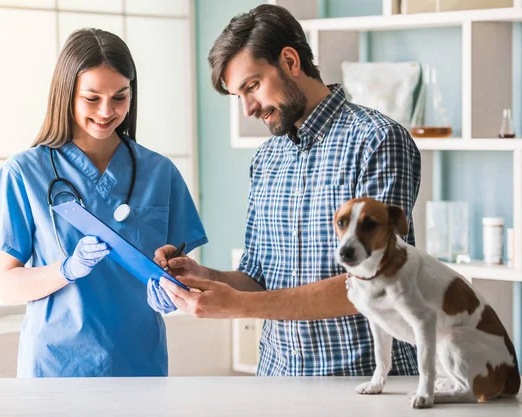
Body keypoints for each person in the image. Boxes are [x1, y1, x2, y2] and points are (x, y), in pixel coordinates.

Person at [148, 4, 421, 377]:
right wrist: (203, 277)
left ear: (290, 61)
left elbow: (375, 280)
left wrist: (241, 306)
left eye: (253, 86)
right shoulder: (266, 160)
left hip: (366, 381)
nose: (248, 109)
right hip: (278, 379)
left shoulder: (377, 141)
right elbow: (257, 276)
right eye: (238, 96)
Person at [0, 28, 207, 377]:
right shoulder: (24, 172)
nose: (107, 112)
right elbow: (7, 285)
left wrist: (172, 290)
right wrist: (66, 269)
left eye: (120, 97)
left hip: (139, 364)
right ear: (66, 95)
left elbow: (182, 270)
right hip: (56, 367)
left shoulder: (159, 172)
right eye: (92, 98)